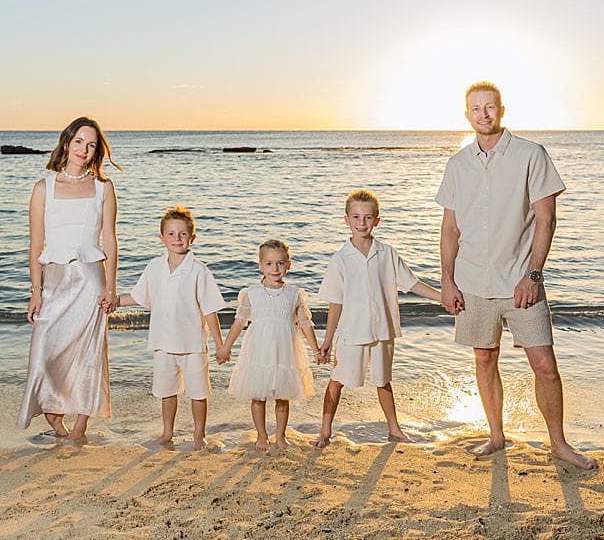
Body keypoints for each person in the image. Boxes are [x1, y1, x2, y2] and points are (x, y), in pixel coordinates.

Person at [437, 81, 596, 469]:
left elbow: (546, 219)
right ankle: (496, 436)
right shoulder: (457, 164)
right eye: (476, 109)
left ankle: (558, 443)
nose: (483, 115)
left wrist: (533, 274)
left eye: (489, 107)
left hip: (520, 282)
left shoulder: (531, 154)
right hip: (473, 281)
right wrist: (446, 280)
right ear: (467, 115)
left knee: (544, 364)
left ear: (502, 110)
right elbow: (450, 228)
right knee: (485, 359)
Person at [18, 116, 122, 444]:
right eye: (79, 141)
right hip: (55, 281)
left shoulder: (104, 188)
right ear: (67, 142)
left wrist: (111, 287)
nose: (84, 149)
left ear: (96, 151)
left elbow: (109, 239)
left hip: (91, 279)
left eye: (91, 145)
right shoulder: (43, 188)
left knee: (89, 354)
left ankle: (79, 427)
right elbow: (36, 244)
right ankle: (52, 413)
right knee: (45, 352)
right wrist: (36, 291)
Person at [312, 189, 443, 449]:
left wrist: (443, 298)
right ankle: (325, 431)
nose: (362, 223)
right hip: (352, 331)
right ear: (346, 219)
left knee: (383, 381)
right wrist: (327, 340)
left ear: (377, 221)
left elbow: (412, 283)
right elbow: (335, 303)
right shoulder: (340, 260)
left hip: (383, 329)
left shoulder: (387, 253)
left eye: (368, 217)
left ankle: (394, 429)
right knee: (337, 379)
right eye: (356, 217)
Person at [116, 207, 226, 450]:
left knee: (198, 393)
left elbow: (210, 309)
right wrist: (113, 301)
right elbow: (138, 296)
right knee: (167, 391)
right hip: (163, 343)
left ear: (192, 238)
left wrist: (220, 345)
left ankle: (199, 435)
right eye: (171, 234)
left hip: (192, 344)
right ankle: (167, 432)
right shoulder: (154, 267)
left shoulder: (198, 270)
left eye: (183, 234)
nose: (177, 239)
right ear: (162, 238)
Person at [217, 239, 322, 453]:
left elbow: (304, 324)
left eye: (280, 263)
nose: (275, 268)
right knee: (258, 394)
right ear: (260, 265)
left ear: (288, 265)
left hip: (285, 349)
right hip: (259, 348)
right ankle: (262, 434)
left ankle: (281, 435)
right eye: (269, 263)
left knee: (283, 395)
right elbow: (239, 321)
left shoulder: (294, 294)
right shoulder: (251, 293)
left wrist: (315, 349)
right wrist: (226, 347)